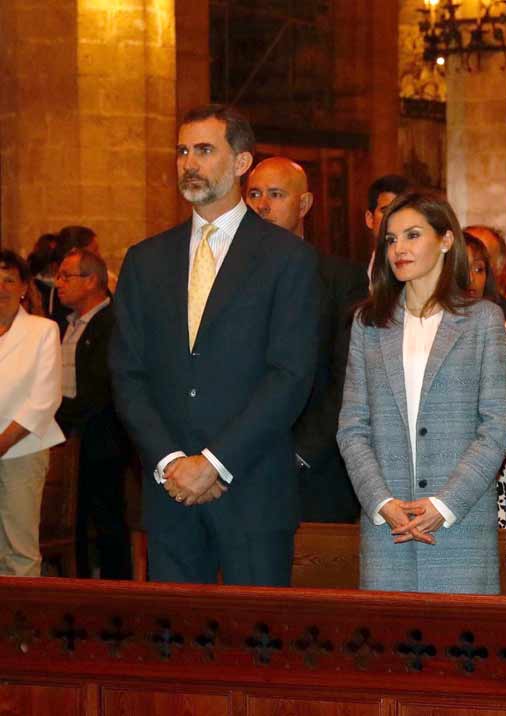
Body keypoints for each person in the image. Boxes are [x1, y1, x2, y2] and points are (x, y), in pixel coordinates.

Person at [110, 104, 320, 586]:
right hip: (170, 493)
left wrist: (214, 463)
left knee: (258, 648)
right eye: (183, 151)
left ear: (241, 162)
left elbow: (289, 376)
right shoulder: (146, 260)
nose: (189, 163)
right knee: (175, 646)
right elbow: (127, 373)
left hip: (251, 487)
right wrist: (170, 463)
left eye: (204, 150)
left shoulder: (287, 258)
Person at [337, 190, 506, 594]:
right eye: (391, 239)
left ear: (446, 240)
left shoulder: (482, 321)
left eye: (412, 235)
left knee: (464, 652)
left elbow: (496, 425)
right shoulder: (369, 323)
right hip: (388, 530)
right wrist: (381, 503)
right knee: (392, 654)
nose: (399, 248)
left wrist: (445, 504)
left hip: (460, 527)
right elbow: (352, 427)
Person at [245, 156, 369, 523]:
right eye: (253, 193)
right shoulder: (225, 278)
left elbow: (347, 376)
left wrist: (301, 451)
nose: (261, 205)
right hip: (236, 463)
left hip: (313, 468)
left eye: (275, 194)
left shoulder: (340, 278)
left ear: (304, 204)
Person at [54, 249, 133, 578]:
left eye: (66, 276)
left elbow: (101, 388)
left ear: (91, 281)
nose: (58, 284)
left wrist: (55, 411)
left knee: (106, 520)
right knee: (74, 520)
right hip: (70, 438)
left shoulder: (111, 323)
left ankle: (116, 599)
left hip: (102, 440)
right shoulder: (65, 324)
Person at [0, 251, 64, 576]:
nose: (1, 287)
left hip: (22, 449)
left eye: (9, 279)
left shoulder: (43, 330)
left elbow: (45, 397)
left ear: (24, 286)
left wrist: (4, 440)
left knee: (19, 549)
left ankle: (21, 626)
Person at [463, 234, 506, 527]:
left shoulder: (504, 334)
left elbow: (502, 419)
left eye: (479, 268)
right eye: (461, 267)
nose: (471, 278)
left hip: (491, 483)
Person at [365, 174, 414, 282]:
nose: (394, 218)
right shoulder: (352, 278)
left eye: (401, 211)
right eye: (386, 211)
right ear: (370, 219)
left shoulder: (416, 274)